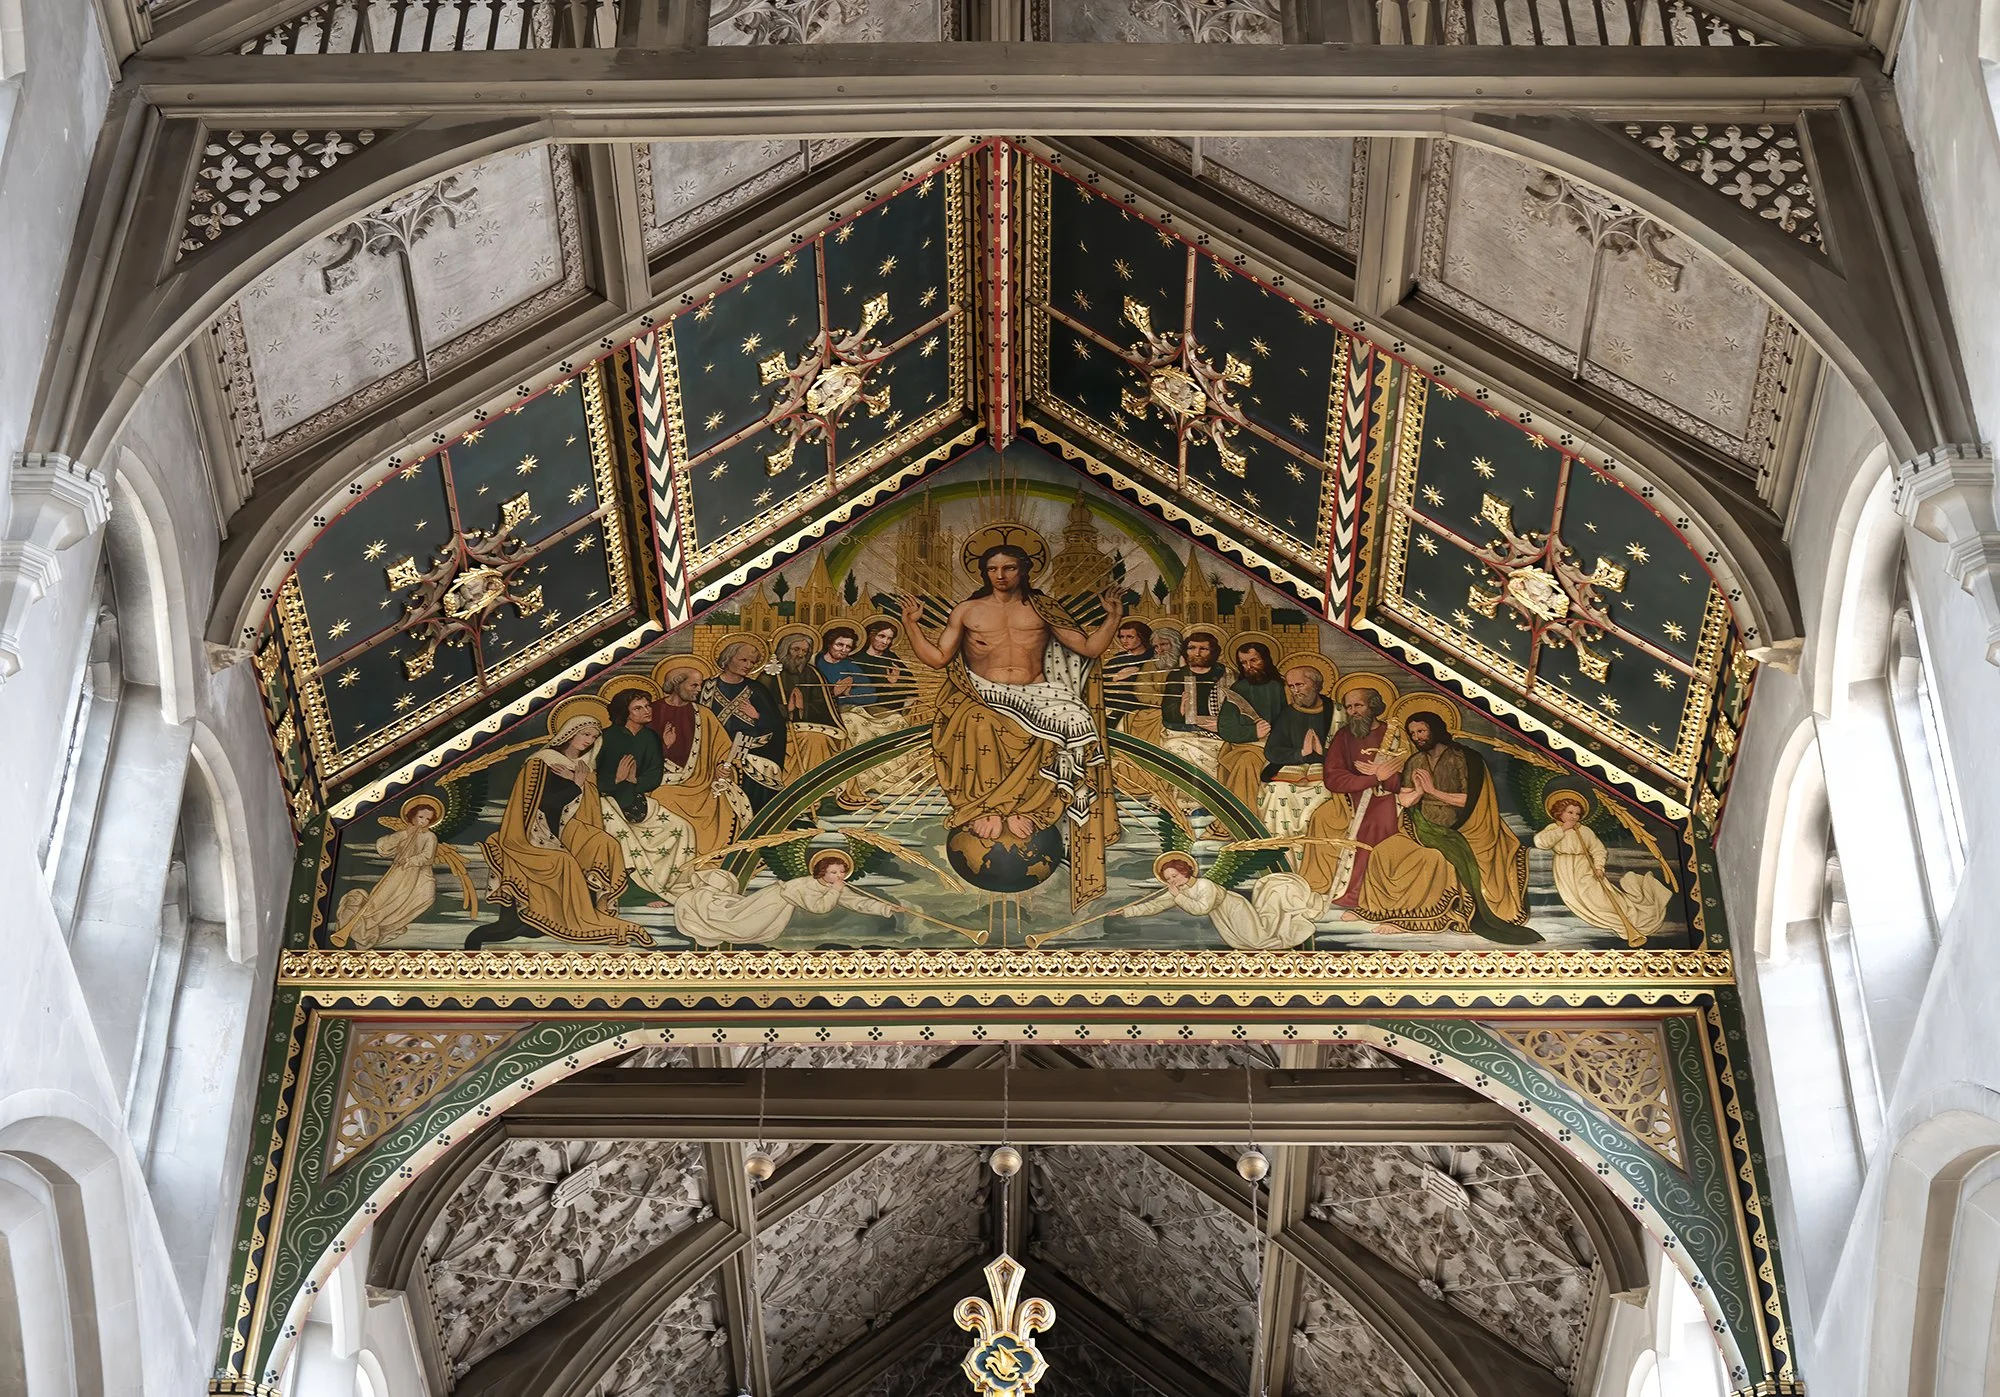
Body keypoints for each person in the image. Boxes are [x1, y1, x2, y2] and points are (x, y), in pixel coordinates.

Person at [897, 532, 1123, 907]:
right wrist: (911, 623)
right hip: (985, 694)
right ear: (984, 573)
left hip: (1038, 694)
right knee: (977, 721)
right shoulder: (968, 611)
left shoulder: (1043, 609)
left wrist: (1113, 617)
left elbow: (1089, 648)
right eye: (993, 569)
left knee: (1070, 722)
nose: (1000, 575)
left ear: (1024, 570)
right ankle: (983, 809)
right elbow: (938, 659)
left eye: (1009, 568)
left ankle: (1031, 810)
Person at [473, 696, 651, 947]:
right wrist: (575, 784)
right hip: (537, 828)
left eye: (593, 737)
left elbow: (589, 804)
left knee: (606, 843)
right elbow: (545, 804)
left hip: (568, 826)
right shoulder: (541, 762)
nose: (588, 741)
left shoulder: (582, 767)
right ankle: (570, 917)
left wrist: (583, 781)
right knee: (564, 861)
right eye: (585, 735)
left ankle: (599, 908)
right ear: (570, 733)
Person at [1394, 709, 1537, 944]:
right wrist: (1420, 792)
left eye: (1421, 731)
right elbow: (1405, 799)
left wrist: (1433, 791)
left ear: (1435, 729)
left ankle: (1472, 913)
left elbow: (1470, 799)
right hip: (1423, 826)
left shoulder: (1461, 758)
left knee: (1445, 856)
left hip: (1461, 824)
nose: (1417, 737)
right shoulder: (1415, 761)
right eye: (1412, 733)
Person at [673, 848, 904, 947]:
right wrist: (836, 890)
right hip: (772, 902)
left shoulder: (834, 887)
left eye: (842, 872)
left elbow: (857, 902)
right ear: (822, 871)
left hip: (777, 910)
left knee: (745, 928)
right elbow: (819, 908)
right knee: (740, 926)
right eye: (835, 872)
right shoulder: (802, 885)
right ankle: (701, 907)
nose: (840, 875)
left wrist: (887, 908)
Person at [330, 795, 475, 949]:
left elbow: (427, 857)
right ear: (412, 816)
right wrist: (403, 835)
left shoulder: (430, 836)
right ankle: (364, 924)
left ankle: (387, 924)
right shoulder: (405, 833)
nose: (423, 821)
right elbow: (383, 848)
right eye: (421, 817)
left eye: (428, 819)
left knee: (426, 898)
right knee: (384, 900)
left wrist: (409, 861)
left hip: (419, 876)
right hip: (399, 874)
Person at [647, 658, 752, 864]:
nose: (699, 689)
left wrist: (723, 767)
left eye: (701, 685)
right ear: (677, 684)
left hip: (701, 781)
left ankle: (710, 860)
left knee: (723, 800)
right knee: (662, 797)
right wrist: (664, 746)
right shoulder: (651, 711)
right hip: (661, 780)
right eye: (694, 684)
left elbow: (722, 748)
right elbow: (637, 752)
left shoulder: (703, 714)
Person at [1533, 792, 1670, 944]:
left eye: (1578, 814)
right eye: (1570, 812)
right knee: (1575, 900)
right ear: (1559, 812)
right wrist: (1563, 829)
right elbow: (1541, 842)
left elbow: (1598, 850)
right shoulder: (1553, 828)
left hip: (1584, 866)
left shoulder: (1584, 831)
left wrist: (1598, 868)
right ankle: (1623, 926)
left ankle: (1629, 922)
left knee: (1597, 898)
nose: (1574, 816)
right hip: (1564, 868)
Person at [1122, 852, 1322, 951]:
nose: (1171, 881)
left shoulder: (1204, 885)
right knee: (1247, 944)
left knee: (1257, 940)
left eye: (1173, 876)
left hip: (1235, 909)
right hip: (1223, 916)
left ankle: (1295, 927)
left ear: (1184, 871)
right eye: (1168, 879)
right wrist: (1126, 912)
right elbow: (1156, 904)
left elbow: (1202, 909)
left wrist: (1178, 896)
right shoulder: (1181, 890)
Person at [701, 638, 787, 812]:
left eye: (752, 662)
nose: (748, 665)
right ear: (728, 658)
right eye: (743, 660)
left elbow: (776, 726)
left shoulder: (757, 689)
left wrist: (757, 716)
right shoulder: (707, 688)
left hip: (753, 748)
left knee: (765, 769)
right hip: (715, 748)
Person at [1255, 661, 1336, 845]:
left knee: (1323, 793)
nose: (1295, 691)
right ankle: (1280, 852)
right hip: (1290, 771)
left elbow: (1348, 750)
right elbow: (1272, 751)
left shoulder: (1336, 712)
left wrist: (1321, 753)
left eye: (1299, 685)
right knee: (1277, 792)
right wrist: (1301, 753)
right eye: (1291, 686)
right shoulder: (1288, 714)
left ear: (1315, 684)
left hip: (1326, 772)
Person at [1215, 637, 1285, 818]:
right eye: (1244, 663)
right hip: (1244, 745)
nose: (1249, 666)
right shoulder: (1239, 688)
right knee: (1246, 760)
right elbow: (1225, 726)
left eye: (1254, 660)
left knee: (1250, 761)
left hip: (1277, 746)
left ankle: (1242, 819)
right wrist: (1253, 732)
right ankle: (1240, 819)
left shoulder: (1284, 687)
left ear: (1266, 660)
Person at [771, 628, 848, 785]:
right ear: (785, 649)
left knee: (844, 740)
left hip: (808, 724)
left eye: (805, 651)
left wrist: (803, 706)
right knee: (815, 739)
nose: (801, 654)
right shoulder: (771, 673)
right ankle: (808, 790)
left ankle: (836, 790)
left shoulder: (812, 673)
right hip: (781, 728)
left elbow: (823, 705)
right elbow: (762, 708)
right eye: (796, 649)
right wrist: (787, 709)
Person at [1156, 627, 1228, 777]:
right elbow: (1168, 711)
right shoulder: (1177, 676)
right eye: (1192, 648)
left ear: (1213, 652)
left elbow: (1237, 706)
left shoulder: (1225, 674)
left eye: (1203, 649)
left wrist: (1222, 724)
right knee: (1174, 747)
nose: (1197, 653)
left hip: (1218, 732)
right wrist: (1181, 708)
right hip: (1182, 731)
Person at [1102, 619, 1156, 726]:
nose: (1124, 640)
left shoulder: (1153, 657)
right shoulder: (1117, 660)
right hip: (1116, 705)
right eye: (1122, 637)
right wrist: (1115, 677)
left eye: (1130, 637)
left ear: (1142, 637)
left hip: (1143, 704)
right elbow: (1100, 682)